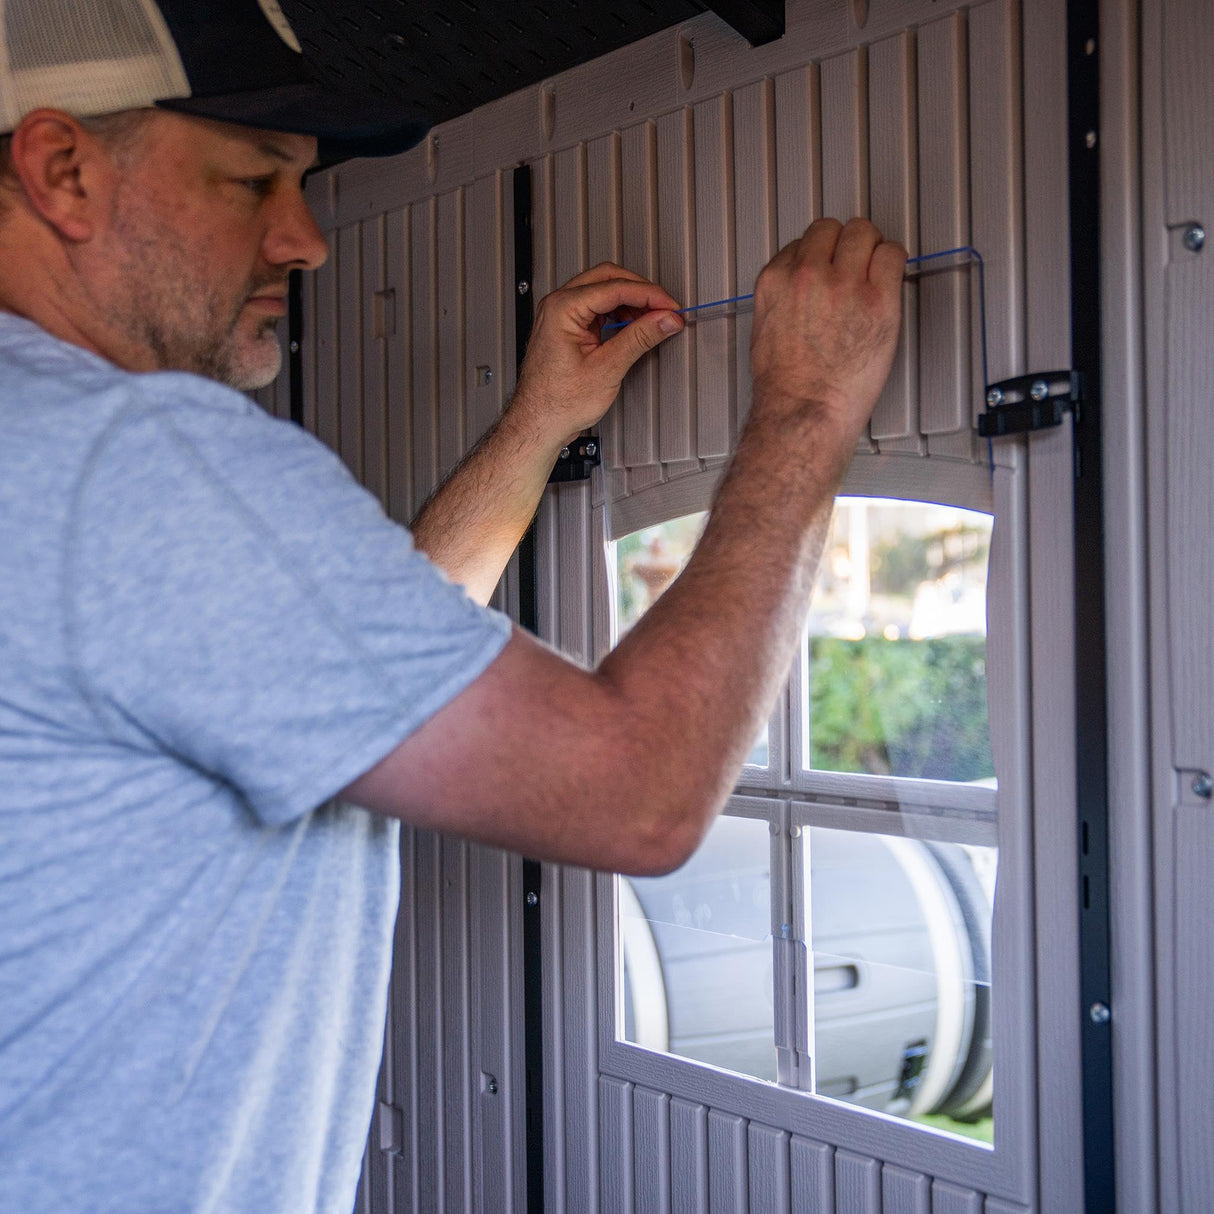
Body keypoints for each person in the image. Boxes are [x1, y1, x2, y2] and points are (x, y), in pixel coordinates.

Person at [0, 2, 906, 1211]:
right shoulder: (132, 456)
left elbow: (365, 678)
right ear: (62, 170)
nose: (305, 241)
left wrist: (537, 426)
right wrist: (806, 409)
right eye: (253, 178)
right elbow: (636, 791)